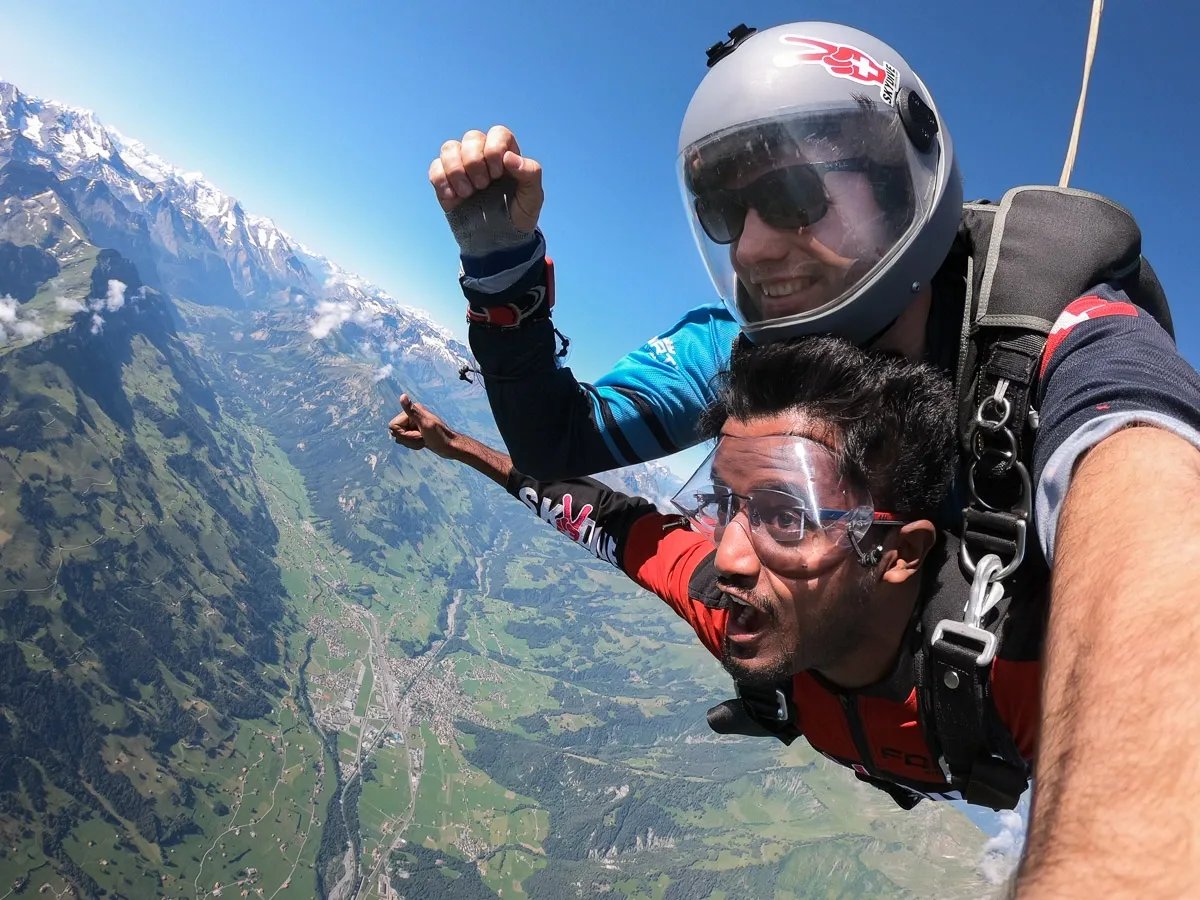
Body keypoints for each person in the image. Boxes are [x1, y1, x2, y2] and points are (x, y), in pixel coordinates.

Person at [428, 21, 1200, 896]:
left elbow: (1156, 514)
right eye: (727, 210)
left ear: (898, 185)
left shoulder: (1058, 339)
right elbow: (560, 447)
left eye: (795, 194)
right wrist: (500, 268)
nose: (752, 245)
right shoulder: (743, 349)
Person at [390, 336, 1046, 808]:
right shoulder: (741, 606)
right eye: (725, 503)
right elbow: (606, 521)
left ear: (899, 553)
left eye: (787, 519)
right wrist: (463, 450)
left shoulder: (1016, 675)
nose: (727, 558)